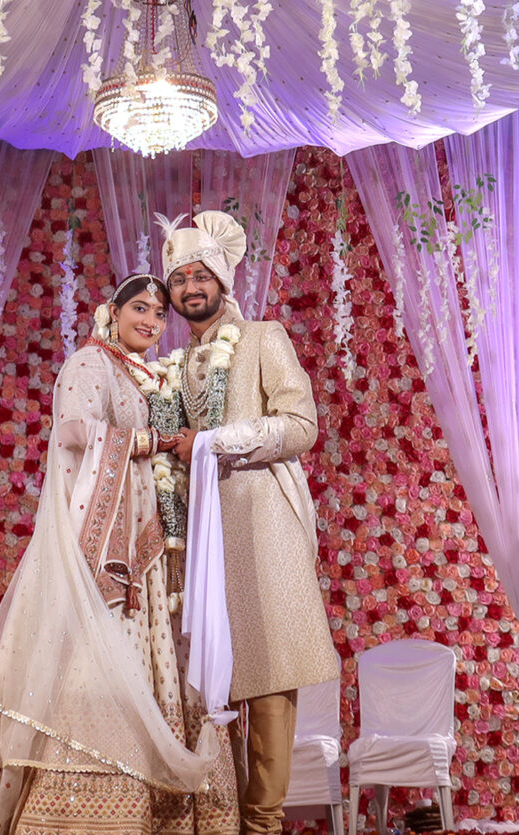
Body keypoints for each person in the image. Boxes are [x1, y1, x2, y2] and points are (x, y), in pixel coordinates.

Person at [0, 274, 239, 835]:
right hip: (100, 551)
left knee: (144, 669)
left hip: (142, 548)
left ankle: (155, 816)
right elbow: (76, 431)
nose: (151, 321)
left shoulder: (141, 374)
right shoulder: (90, 363)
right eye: (140, 309)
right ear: (113, 312)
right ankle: (76, 818)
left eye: (159, 313)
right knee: (93, 669)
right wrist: (152, 442)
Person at [157, 212, 340, 835]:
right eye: (179, 279)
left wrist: (216, 442)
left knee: (267, 673)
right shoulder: (174, 365)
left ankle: (263, 823)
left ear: (222, 279)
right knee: (215, 680)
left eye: (200, 275)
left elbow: (301, 425)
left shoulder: (263, 337)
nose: (190, 287)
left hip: (262, 527)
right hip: (201, 537)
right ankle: (223, 820)